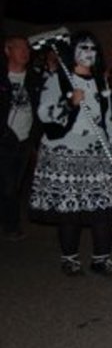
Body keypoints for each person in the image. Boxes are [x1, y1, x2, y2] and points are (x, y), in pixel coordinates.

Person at [28, 30, 112, 276]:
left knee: (108, 206)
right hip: (64, 152)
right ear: (72, 51)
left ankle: (101, 259)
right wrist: (69, 103)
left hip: (96, 151)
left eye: (93, 48)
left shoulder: (101, 82)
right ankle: (70, 258)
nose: (89, 53)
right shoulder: (57, 79)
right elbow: (44, 114)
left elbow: (107, 119)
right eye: (83, 48)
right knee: (70, 210)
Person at [0, 36, 41, 241]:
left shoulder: (34, 78)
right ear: (8, 51)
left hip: (25, 139)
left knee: (14, 185)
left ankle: (9, 219)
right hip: (5, 139)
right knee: (8, 185)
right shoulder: (3, 78)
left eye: (27, 48)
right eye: (19, 48)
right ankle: (11, 225)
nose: (25, 52)